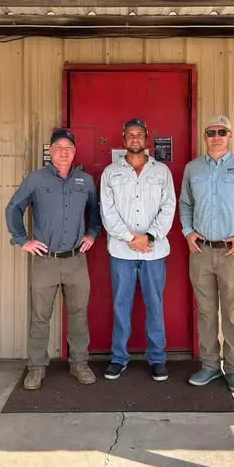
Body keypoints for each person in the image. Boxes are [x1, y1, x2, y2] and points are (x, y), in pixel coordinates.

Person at [179, 115, 234, 393]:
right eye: (211, 132)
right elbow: (185, 203)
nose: (216, 137)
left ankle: (232, 369)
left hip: (232, 254)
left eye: (222, 132)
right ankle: (209, 366)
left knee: (233, 314)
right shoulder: (193, 168)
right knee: (206, 313)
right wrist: (188, 231)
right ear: (204, 137)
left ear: (230, 136)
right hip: (201, 252)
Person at [5, 128, 101, 390]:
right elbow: (14, 208)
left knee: (78, 315)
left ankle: (80, 363)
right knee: (40, 316)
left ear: (74, 151)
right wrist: (22, 240)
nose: (63, 152)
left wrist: (92, 233)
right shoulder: (36, 179)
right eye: (58, 147)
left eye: (68, 148)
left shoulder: (85, 181)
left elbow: (96, 210)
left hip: (76, 260)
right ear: (50, 151)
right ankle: (36, 368)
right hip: (45, 261)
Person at [100, 118, 176, 382]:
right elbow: (107, 211)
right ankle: (118, 358)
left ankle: (157, 359)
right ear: (124, 139)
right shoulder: (110, 172)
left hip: (154, 252)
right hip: (121, 253)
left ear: (146, 138)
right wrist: (130, 238)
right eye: (130, 134)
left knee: (155, 304)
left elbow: (169, 207)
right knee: (121, 305)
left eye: (139, 134)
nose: (135, 138)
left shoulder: (161, 172)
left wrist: (149, 236)